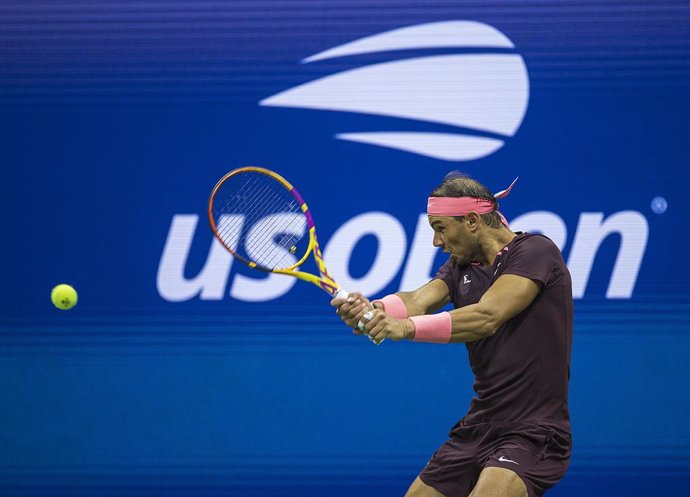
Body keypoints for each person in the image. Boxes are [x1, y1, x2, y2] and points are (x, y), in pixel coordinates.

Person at [332, 172, 572, 497]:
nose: (436, 242)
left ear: (472, 220)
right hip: (478, 427)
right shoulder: (462, 267)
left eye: (440, 228)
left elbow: (487, 316)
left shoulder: (535, 251)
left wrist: (403, 328)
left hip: (532, 431)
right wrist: (374, 311)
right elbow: (418, 299)